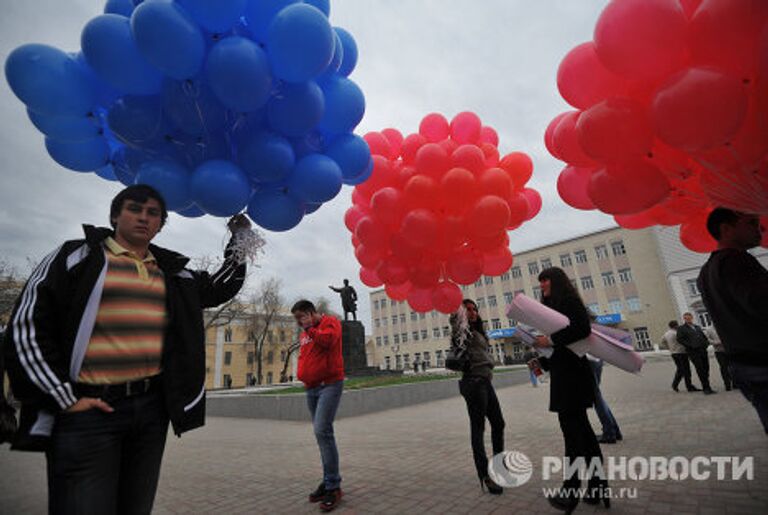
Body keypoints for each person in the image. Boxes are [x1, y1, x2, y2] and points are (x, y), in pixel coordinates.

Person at [2, 185, 249, 514]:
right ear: (116, 215)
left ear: (160, 224)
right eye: (135, 209)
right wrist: (63, 396)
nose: (144, 218)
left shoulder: (173, 273)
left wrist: (242, 237)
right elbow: (26, 327)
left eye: (153, 213)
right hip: (87, 410)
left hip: (149, 412)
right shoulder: (77, 256)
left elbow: (222, 285)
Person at [534, 267, 607, 512]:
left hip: (574, 376)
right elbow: (559, 348)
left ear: (556, 281)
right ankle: (597, 486)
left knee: (573, 436)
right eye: (540, 281)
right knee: (584, 435)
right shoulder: (553, 308)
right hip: (565, 375)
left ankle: (570, 490)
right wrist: (541, 356)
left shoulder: (570, 301)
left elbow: (581, 330)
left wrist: (551, 340)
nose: (542, 285)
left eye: (545, 280)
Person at [697, 207, 768, 433]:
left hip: (744, 364)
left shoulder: (706, 271)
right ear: (726, 228)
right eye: (752, 223)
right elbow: (762, 303)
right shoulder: (736, 261)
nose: (760, 229)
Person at [292, 300, 345, 512]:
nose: (299, 322)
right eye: (296, 319)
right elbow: (307, 356)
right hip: (312, 388)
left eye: (301, 317)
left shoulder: (329, 323)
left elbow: (328, 341)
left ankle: (334, 486)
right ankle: (328, 480)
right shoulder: (305, 333)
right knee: (321, 434)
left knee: (322, 430)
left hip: (330, 384)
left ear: (311, 313)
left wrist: (311, 328)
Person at [451, 299, 505, 495]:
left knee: (499, 423)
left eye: (474, 309)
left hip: (484, 381)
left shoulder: (478, 330)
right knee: (478, 428)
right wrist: (458, 315)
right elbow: (456, 325)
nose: (473, 312)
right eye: (468, 310)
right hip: (473, 383)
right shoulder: (462, 331)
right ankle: (485, 475)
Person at [676, 313, 716, 395]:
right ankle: (706, 388)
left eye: (689, 318)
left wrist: (706, 344)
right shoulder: (681, 328)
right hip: (693, 352)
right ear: (684, 319)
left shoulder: (697, 327)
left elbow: (703, 337)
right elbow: (680, 339)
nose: (688, 319)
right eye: (686, 318)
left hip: (703, 350)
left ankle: (707, 385)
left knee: (706, 368)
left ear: (692, 318)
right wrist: (690, 345)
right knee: (700, 369)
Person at [587, 355, 623, 444]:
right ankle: (614, 431)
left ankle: (609, 433)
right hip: (597, 359)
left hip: (589, 360)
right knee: (597, 396)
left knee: (596, 397)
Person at [661, 321, 699, 392]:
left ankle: (675, 384)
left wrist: (669, 348)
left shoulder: (666, 334)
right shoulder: (677, 333)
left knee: (680, 369)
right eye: (677, 325)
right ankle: (689, 386)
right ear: (675, 326)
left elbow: (663, 342)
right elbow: (683, 340)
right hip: (681, 353)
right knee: (686, 370)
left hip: (673, 353)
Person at [704, 325, 732, 391]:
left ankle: (735, 383)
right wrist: (716, 342)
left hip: (729, 350)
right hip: (719, 351)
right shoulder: (709, 329)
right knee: (723, 367)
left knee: (732, 367)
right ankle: (727, 384)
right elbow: (707, 339)